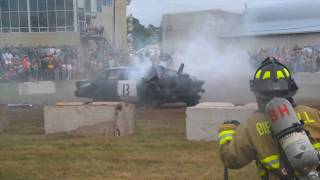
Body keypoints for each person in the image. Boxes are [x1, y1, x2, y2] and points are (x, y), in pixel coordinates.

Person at [218, 57, 320, 180]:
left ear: (257, 92)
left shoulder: (251, 125)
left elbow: (232, 159)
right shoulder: (312, 113)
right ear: (291, 88)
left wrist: (227, 131)